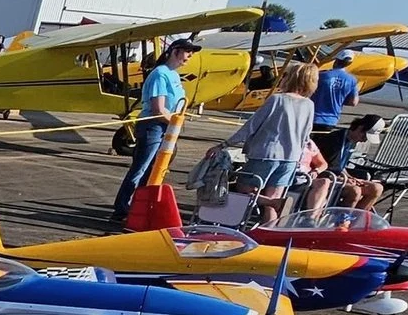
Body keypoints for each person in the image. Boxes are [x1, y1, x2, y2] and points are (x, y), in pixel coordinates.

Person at [112, 38, 200, 224]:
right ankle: (122, 209)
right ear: (174, 51)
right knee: (141, 168)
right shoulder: (160, 74)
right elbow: (158, 109)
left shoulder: (173, 75)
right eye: (187, 51)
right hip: (153, 126)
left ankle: (139, 206)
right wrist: (175, 123)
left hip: (166, 127)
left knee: (154, 169)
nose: (190, 55)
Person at [218, 61, 317, 224]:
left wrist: (225, 144)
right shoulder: (309, 105)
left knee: (243, 190)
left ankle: (263, 207)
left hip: (266, 153)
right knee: (273, 198)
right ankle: (270, 227)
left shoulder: (277, 99)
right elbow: (306, 136)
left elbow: (251, 125)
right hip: (291, 158)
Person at [309, 50, 360, 164]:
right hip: (330, 121)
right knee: (319, 150)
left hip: (312, 117)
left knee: (306, 147)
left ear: (336, 60)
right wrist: (340, 100)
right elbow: (353, 102)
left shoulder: (321, 75)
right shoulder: (352, 80)